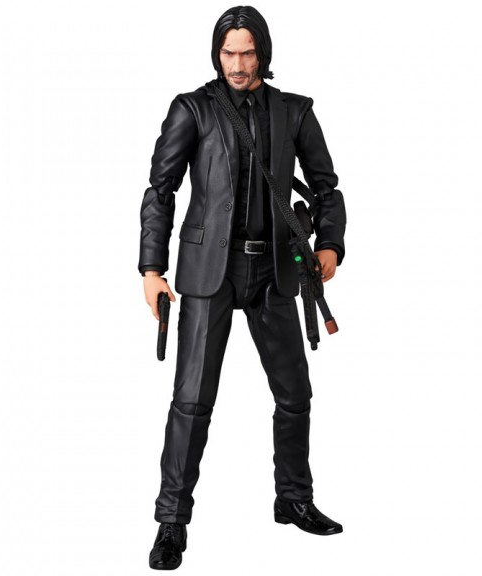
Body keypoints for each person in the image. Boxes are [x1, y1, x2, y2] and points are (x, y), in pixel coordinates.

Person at [139, 6, 347, 570]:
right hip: (210, 272)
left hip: (274, 268)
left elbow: (327, 188)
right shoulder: (193, 109)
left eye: (247, 53)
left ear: (263, 53)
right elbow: (160, 190)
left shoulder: (295, 111)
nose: (237, 64)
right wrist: (151, 269)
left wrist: (330, 245)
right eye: (228, 53)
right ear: (217, 53)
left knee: (295, 394)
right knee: (191, 400)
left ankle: (293, 499)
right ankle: (171, 521)